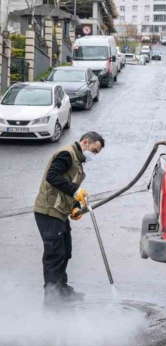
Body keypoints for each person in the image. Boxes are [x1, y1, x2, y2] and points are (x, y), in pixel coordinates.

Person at [34, 131, 105, 305]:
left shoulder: (77, 161)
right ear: (85, 142)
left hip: (60, 212)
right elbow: (52, 176)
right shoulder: (67, 154)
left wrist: (75, 206)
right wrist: (75, 191)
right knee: (54, 255)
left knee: (65, 252)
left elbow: (68, 187)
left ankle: (62, 290)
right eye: (94, 150)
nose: (94, 155)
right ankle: (51, 299)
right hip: (49, 211)